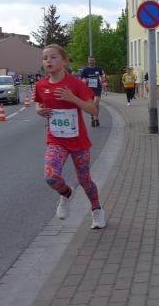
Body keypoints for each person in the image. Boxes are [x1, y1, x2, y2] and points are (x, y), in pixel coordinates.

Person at [34, 44, 106, 229]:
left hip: (78, 140)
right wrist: (39, 111)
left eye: (53, 57)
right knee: (50, 176)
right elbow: (38, 104)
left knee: (84, 180)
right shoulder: (41, 85)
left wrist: (72, 98)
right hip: (56, 140)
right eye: (45, 58)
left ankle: (96, 210)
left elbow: (93, 110)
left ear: (64, 61)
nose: (48, 61)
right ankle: (66, 194)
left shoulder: (76, 84)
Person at [80, 56, 106, 127]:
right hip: (89, 89)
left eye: (92, 60)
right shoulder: (85, 70)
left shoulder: (99, 69)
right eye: (90, 60)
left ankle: (96, 118)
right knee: (91, 105)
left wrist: (102, 80)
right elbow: (81, 79)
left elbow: (103, 76)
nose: (91, 62)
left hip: (97, 88)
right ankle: (93, 118)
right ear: (88, 61)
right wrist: (85, 80)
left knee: (96, 103)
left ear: (95, 61)